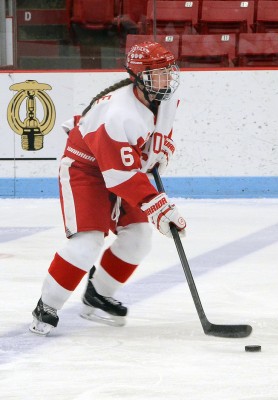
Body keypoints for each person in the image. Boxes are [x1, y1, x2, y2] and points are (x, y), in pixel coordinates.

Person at [29, 41, 187, 336]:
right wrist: (158, 207)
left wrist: (159, 150)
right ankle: (47, 305)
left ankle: (97, 294)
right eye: (158, 73)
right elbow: (120, 178)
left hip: (119, 169)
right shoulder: (117, 113)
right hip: (86, 170)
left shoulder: (164, 96)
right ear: (138, 77)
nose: (167, 79)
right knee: (87, 242)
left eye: (169, 71)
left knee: (139, 237)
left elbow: (158, 132)